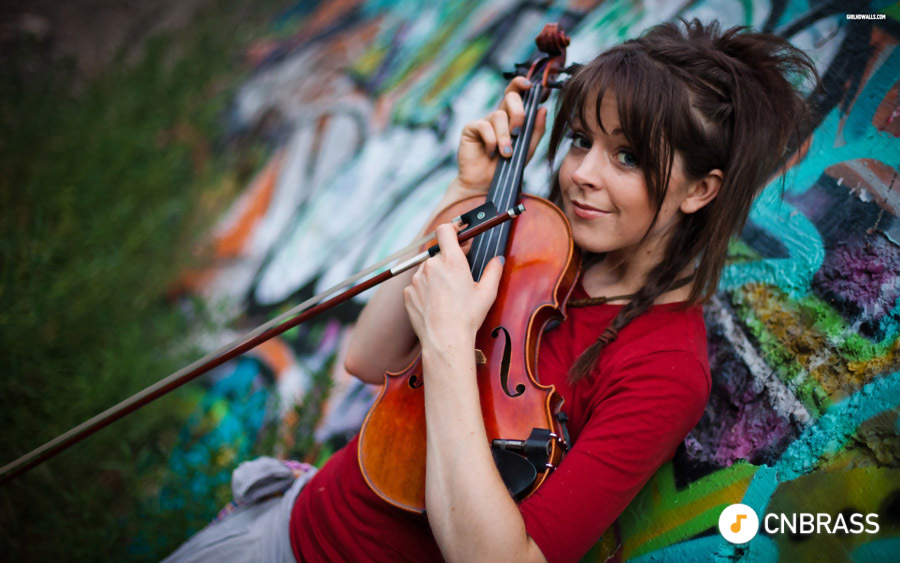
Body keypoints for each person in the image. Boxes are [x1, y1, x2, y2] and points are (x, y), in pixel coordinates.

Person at [166, 18, 817, 563]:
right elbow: (368, 356)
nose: (582, 174)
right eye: (582, 140)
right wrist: (464, 194)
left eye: (628, 157)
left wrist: (451, 347)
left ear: (700, 189)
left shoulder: (664, 368)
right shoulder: (535, 242)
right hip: (281, 528)